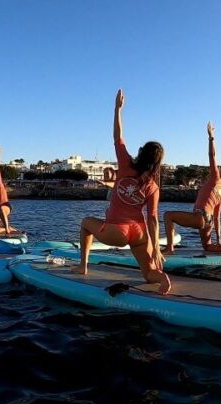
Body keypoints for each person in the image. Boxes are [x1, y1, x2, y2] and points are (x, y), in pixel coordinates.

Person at [71, 89, 170, 294]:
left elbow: (118, 136)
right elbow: (152, 219)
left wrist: (117, 109)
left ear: (141, 153)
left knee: (85, 224)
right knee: (148, 273)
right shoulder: (153, 186)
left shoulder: (125, 164)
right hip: (140, 233)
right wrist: (157, 250)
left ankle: (83, 266)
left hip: (118, 231)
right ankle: (162, 278)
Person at [164, 121, 221, 255]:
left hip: (200, 217)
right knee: (207, 247)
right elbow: (217, 220)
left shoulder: (216, 178)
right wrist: (219, 240)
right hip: (208, 222)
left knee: (168, 216)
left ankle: (169, 248)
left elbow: (212, 155)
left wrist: (211, 137)